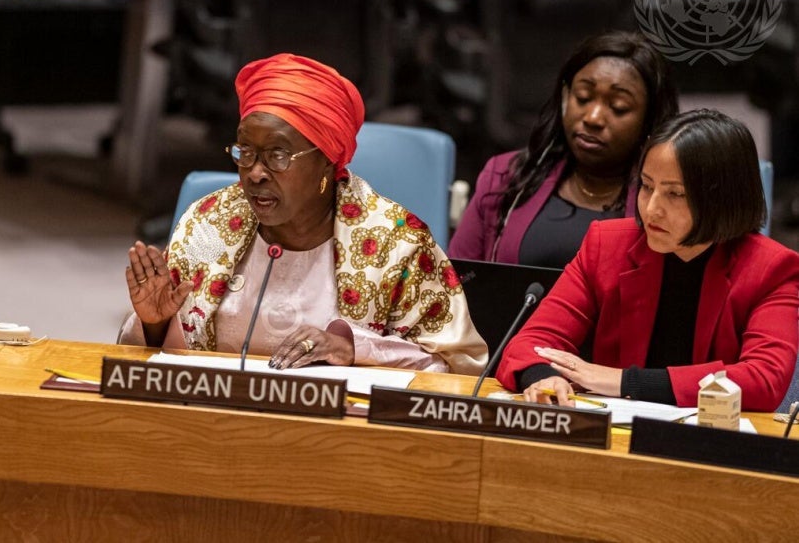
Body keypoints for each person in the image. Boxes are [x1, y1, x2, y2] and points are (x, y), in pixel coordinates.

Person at [121, 53, 487, 374]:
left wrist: (354, 349)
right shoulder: (208, 222)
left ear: (327, 160)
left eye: (278, 155)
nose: (255, 172)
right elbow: (162, 366)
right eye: (244, 151)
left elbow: (457, 369)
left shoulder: (399, 244)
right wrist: (155, 324)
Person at [496, 109, 799, 411]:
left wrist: (625, 383)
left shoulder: (771, 269)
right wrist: (544, 377)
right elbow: (530, 343)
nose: (651, 208)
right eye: (647, 185)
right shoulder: (607, 245)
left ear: (723, 199)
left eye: (675, 194)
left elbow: (763, 379)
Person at [449, 31, 679, 267]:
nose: (593, 117)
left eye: (618, 107)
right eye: (583, 97)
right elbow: (456, 285)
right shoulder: (507, 177)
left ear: (650, 119)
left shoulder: (668, 203)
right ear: (565, 96)